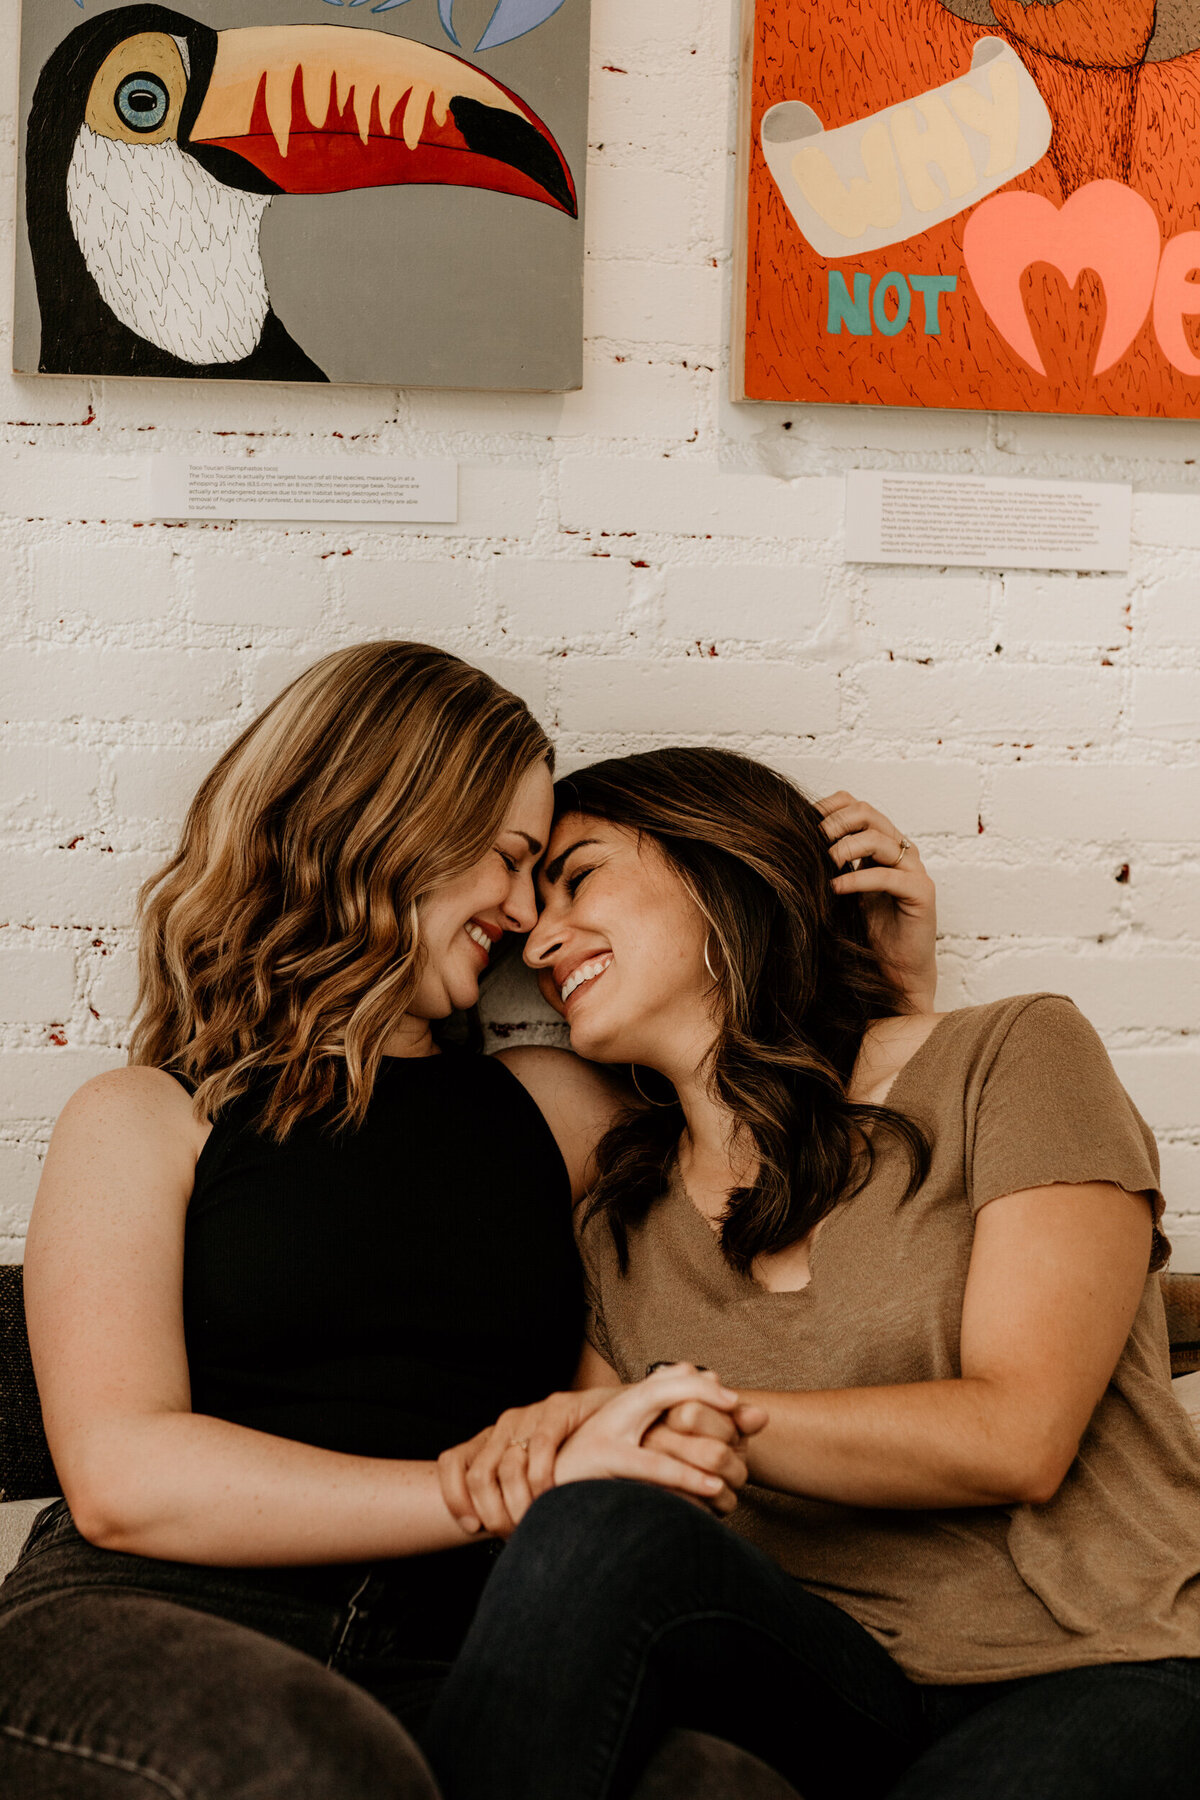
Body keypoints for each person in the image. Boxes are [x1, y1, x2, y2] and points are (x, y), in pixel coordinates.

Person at [0, 644, 933, 1799]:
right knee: (315, 1764)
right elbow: (123, 1478)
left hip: (456, 1647)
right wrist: (491, 1490)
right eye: (507, 860)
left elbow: (798, 1220)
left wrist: (885, 1002)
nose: (526, 912)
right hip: (151, 1617)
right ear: (383, 824)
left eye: (545, 872)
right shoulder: (149, 1117)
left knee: (715, 1786)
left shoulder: (554, 1111)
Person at [427, 745, 1200, 1800]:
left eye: (583, 877)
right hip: (834, 1685)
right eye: (531, 921)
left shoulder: (1011, 1056)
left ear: (724, 865)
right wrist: (555, 1446)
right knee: (594, 1525)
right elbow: (613, 1477)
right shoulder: (624, 1219)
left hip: (1106, 1661)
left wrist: (705, 1411)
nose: (544, 938)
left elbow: (1022, 1435)